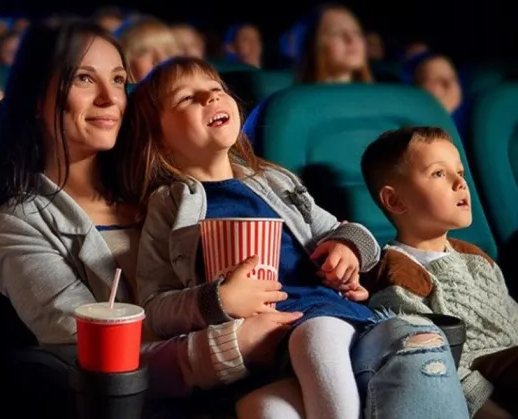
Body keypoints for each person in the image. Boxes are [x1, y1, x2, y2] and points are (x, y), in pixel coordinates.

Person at [121, 56, 470, 419]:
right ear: (158, 138)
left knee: (315, 335)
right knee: (263, 409)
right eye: (187, 98)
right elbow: (155, 308)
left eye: (216, 90)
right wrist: (216, 300)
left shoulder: (276, 181)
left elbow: (345, 230)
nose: (210, 99)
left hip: (319, 313)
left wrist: (347, 249)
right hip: (256, 347)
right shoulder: (168, 205)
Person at [0, 22, 300, 415]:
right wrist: (225, 348)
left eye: (118, 80)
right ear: (35, 98)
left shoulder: (174, 183)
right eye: (83, 78)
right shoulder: (17, 226)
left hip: (277, 357)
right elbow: (85, 348)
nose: (109, 98)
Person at [361, 126, 518, 418]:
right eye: (438, 174)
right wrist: (489, 410)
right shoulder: (399, 274)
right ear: (395, 201)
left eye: (460, 172)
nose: (460, 183)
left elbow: (512, 318)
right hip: (486, 384)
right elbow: (437, 364)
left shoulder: (476, 258)